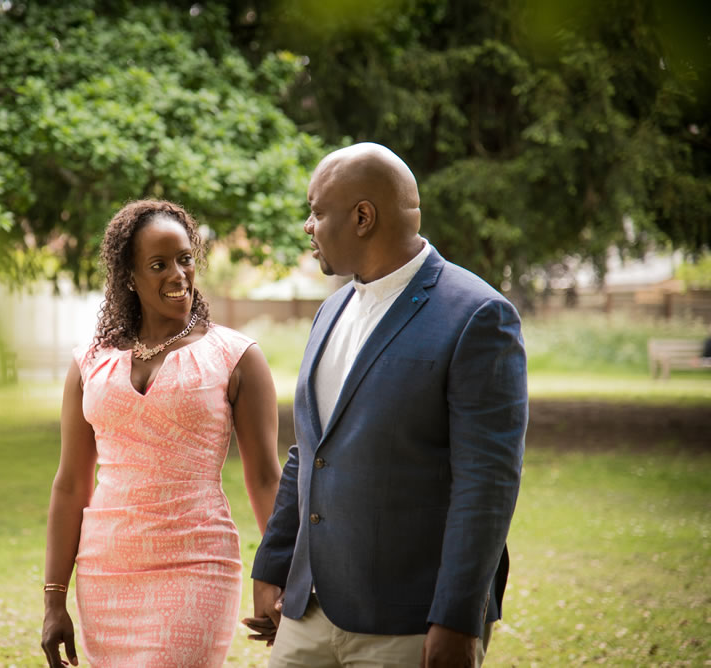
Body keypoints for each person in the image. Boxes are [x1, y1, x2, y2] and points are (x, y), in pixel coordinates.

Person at [243, 143, 528, 667]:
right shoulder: (330, 312)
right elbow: (309, 450)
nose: (307, 225)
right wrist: (273, 564)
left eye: (316, 210)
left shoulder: (478, 316)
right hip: (307, 613)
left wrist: (457, 617)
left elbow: (487, 484)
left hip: (409, 623)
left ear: (362, 217)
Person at [41, 200, 281, 667]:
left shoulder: (235, 356)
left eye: (185, 259)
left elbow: (266, 479)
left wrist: (278, 574)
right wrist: (54, 599)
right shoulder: (90, 361)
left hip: (196, 564)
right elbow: (71, 483)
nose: (178, 274)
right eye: (159, 265)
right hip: (104, 570)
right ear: (129, 277)